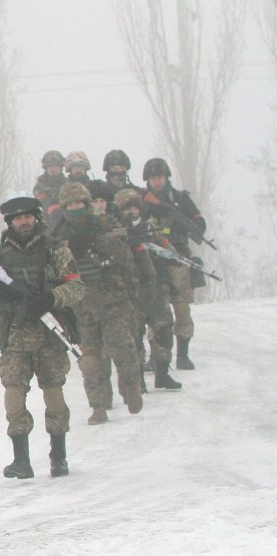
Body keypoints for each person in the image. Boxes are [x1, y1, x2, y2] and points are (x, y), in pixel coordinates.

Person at [0, 194, 84, 478]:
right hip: (15, 336)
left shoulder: (55, 250)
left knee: (54, 393)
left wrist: (50, 298)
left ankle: (58, 456)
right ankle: (21, 459)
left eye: (28, 216)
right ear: (10, 222)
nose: (23, 222)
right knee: (13, 394)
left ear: (37, 218)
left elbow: (76, 287)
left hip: (50, 333)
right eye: (17, 218)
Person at [52, 182, 142, 425]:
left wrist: (94, 241)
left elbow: (123, 256)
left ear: (86, 203)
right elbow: (54, 269)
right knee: (90, 361)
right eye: (69, 205)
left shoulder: (105, 224)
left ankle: (132, 385)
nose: (75, 208)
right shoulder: (59, 234)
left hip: (112, 301)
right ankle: (99, 406)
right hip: (82, 308)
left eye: (78, 203)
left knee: (122, 350)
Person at [141, 157, 208, 370]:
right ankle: (157, 357)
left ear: (166, 177)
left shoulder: (180, 199)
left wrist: (189, 227)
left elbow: (198, 221)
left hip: (179, 258)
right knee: (156, 311)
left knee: (182, 308)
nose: (157, 182)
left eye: (160, 177)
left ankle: (183, 354)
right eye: (153, 178)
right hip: (153, 259)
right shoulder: (142, 201)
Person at [113, 188, 181, 391]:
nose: (132, 212)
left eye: (135, 207)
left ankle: (162, 374)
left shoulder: (151, 229)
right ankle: (137, 380)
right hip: (131, 291)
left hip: (156, 288)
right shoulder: (113, 232)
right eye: (127, 208)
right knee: (133, 337)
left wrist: (160, 252)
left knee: (164, 330)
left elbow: (172, 254)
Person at [33, 150, 66, 220]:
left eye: (56, 166)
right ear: (46, 168)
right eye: (50, 166)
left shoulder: (68, 184)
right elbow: (43, 207)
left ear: (61, 167)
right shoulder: (40, 186)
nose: (54, 169)